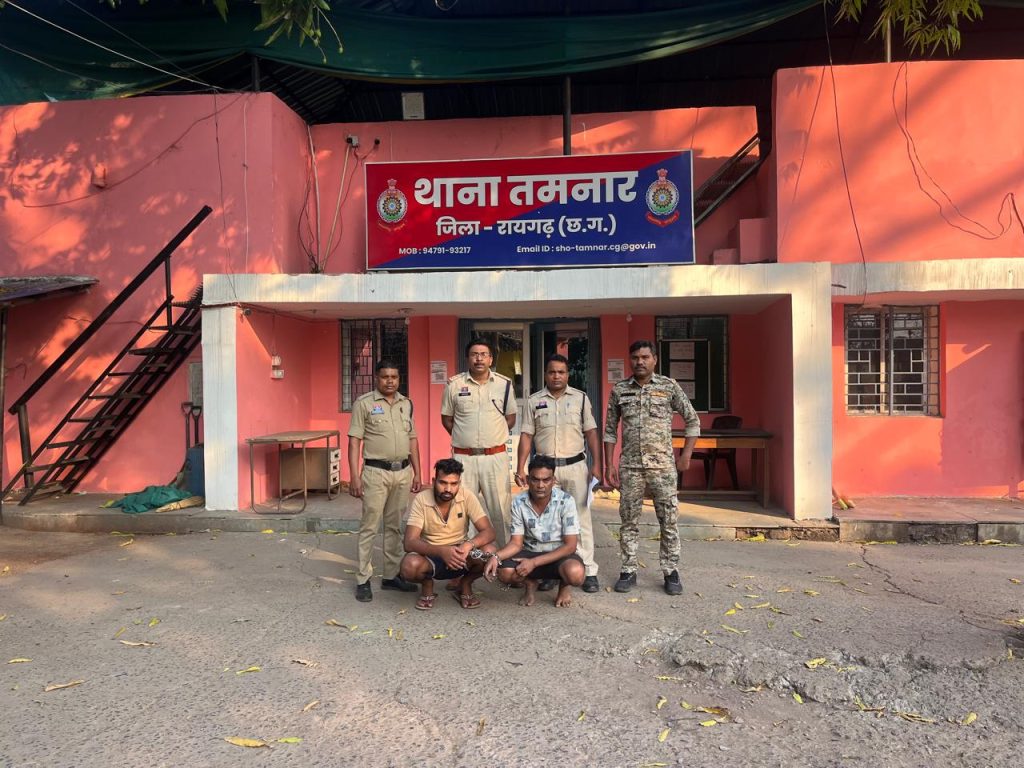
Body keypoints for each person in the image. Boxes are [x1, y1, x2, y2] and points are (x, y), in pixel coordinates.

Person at [603, 339, 700, 596]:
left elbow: (692, 421)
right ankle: (628, 570)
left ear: (654, 360)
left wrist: (685, 456)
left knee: (668, 520)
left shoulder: (668, 387)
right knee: (628, 521)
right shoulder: (620, 390)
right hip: (631, 467)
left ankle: (671, 571)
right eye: (635, 357)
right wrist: (609, 464)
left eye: (645, 357)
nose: (640, 362)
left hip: (663, 468)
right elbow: (610, 430)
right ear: (630, 360)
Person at [516, 353, 603, 593]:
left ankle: (588, 569)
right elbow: (526, 435)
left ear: (568, 374)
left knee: (581, 518)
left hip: (575, 467)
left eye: (561, 372)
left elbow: (591, 433)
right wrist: (520, 466)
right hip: (546, 470)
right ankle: (552, 571)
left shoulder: (581, 399)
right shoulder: (534, 401)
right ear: (546, 374)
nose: (557, 376)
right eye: (552, 372)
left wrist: (597, 464)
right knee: (549, 520)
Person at [347, 360, 422, 602]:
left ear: (399, 379)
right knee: (369, 526)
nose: (390, 381)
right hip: (375, 473)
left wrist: (418, 473)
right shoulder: (364, 403)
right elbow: (354, 442)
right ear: (376, 378)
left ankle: (391, 576)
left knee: (394, 526)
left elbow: (412, 440)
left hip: (402, 472)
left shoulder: (406, 404)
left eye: (394, 377)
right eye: (385, 377)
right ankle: (363, 579)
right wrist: (354, 476)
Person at [441, 338, 517, 546]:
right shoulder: (454, 385)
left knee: (501, 510)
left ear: (491, 359)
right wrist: (465, 437)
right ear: (468, 358)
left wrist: (492, 436)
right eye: (474, 354)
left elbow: (510, 418)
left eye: (484, 354)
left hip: (495, 457)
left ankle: (504, 557)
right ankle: (463, 558)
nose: (479, 358)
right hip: (464, 458)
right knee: (461, 509)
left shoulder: (504, 385)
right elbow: (447, 420)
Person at [485, 455, 585, 608]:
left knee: (576, 574)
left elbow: (570, 546)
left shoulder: (566, 501)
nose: (540, 485)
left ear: (554, 480)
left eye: (546, 480)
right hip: (530, 552)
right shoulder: (519, 502)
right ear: (528, 479)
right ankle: (530, 583)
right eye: (535, 479)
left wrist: (534, 563)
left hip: (558, 555)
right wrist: (496, 556)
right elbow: (516, 543)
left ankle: (564, 586)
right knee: (504, 572)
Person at [399, 458, 497, 610]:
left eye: (453, 484)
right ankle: (427, 584)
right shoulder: (422, 499)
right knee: (409, 566)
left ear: (459, 483)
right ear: (434, 481)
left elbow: (489, 532)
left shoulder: (467, 496)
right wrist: (442, 551)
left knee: (489, 552)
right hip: (431, 555)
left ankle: (465, 584)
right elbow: (409, 542)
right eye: (443, 483)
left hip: (461, 554)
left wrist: (468, 545)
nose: (448, 489)